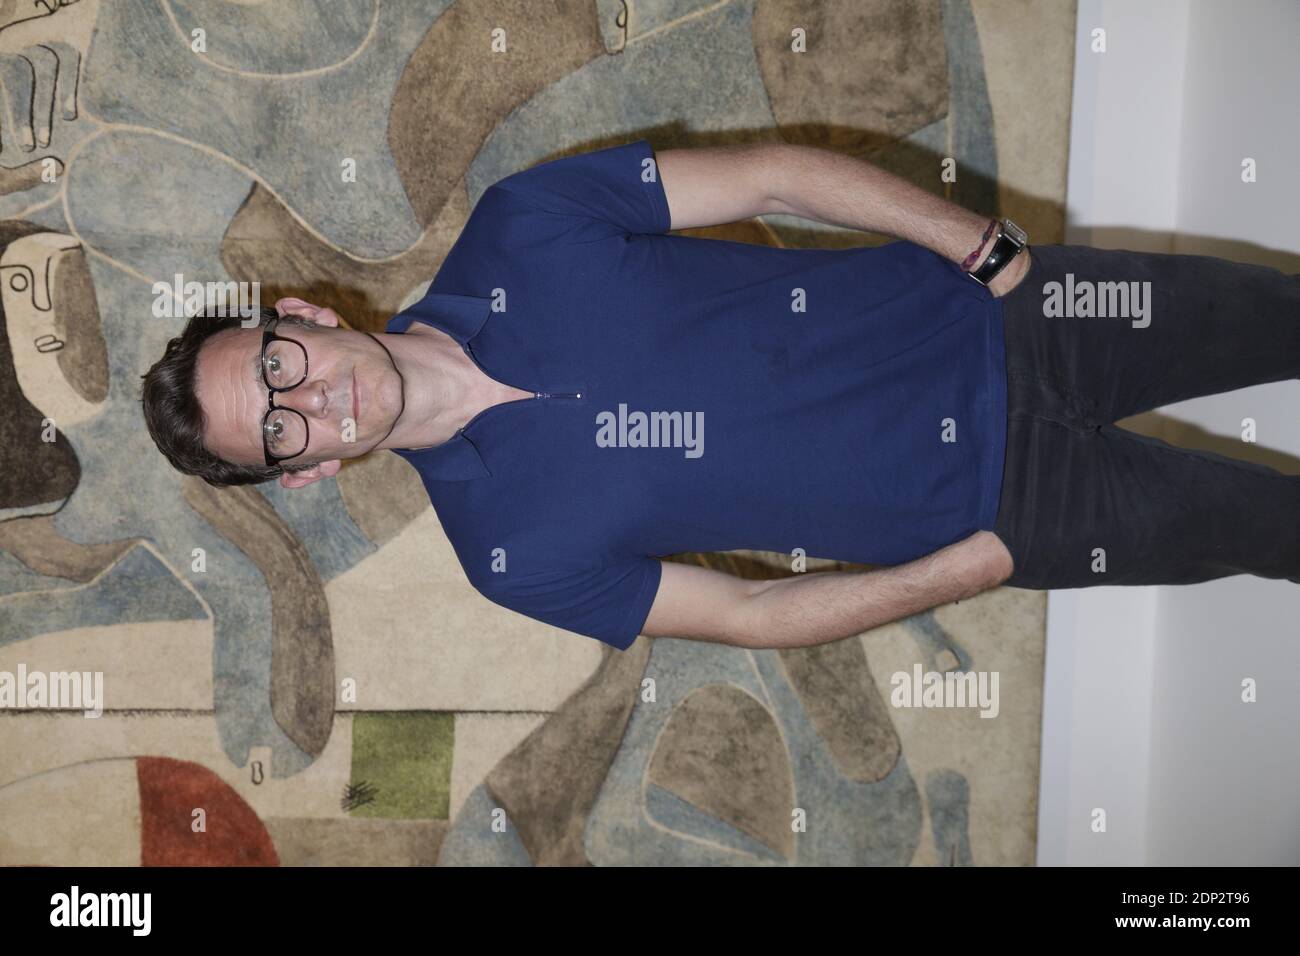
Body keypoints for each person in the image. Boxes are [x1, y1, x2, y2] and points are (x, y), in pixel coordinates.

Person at [140, 139, 1300, 651]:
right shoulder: (508, 555)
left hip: (1010, 316)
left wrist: (976, 244)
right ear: (305, 469)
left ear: (299, 319)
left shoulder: (520, 225)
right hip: (1007, 508)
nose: (316, 401)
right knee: (1276, 531)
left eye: (278, 369)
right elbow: (745, 619)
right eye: (281, 428)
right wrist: (964, 569)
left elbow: (774, 174)